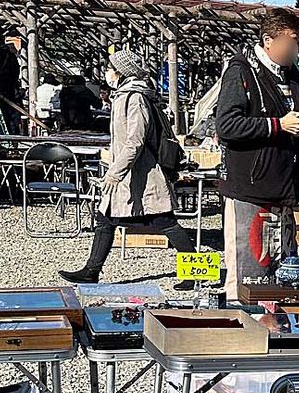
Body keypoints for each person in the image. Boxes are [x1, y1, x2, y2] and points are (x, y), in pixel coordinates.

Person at [215, 8, 299, 294]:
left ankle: (275, 332)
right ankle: (244, 329)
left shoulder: (293, 73)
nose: (295, 50)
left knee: (281, 274)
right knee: (249, 273)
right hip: (250, 187)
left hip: (284, 187)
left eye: (298, 43)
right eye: (291, 42)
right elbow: (227, 125)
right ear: (268, 41)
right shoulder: (242, 72)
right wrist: (278, 125)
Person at [59, 50, 197, 289]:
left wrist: (115, 172)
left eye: (110, 68)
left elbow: (135, 140)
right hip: (129, 174)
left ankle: (196, 272)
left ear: (121, 71)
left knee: (164, 220)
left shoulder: (134, 97)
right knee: (105, 219)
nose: (107, 72)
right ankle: (91, 270)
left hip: (141, 173)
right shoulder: (125, 95)